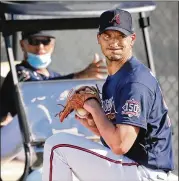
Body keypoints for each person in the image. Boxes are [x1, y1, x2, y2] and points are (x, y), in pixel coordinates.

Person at [42, 8, 174, 181]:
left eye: (120, 36)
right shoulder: (115, 79)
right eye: (108, 36)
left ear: (132, 39)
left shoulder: (134, 82)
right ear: (99, 39)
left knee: (56, 146)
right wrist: (94, 125)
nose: (114, 42)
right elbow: (117, 137)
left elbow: (120, 145)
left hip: (145, 172)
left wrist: (95, 108)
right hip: (133, 168)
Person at [0, 30, 107, 164]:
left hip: (44, 142)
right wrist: (77, 77)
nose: (40, 47)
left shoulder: (54, 76)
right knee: (36, 109)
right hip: (16, 143)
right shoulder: (19, 73)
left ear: (53, 44)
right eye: (34, 41)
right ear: (23, 45)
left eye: (45, 41)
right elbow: (36, 91)